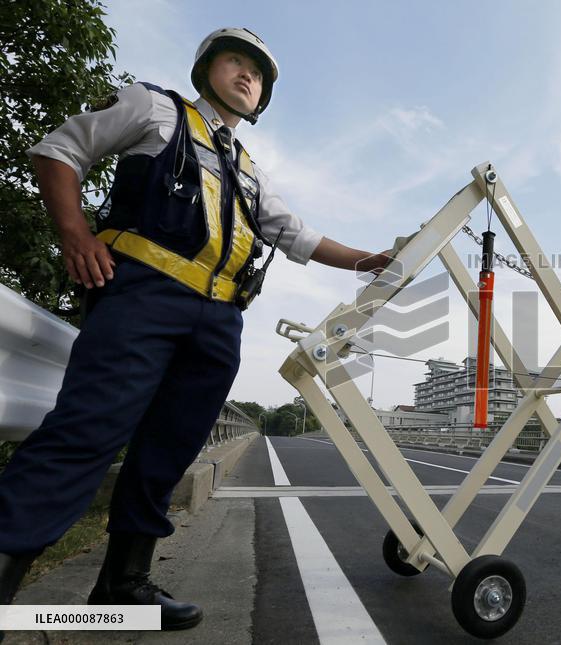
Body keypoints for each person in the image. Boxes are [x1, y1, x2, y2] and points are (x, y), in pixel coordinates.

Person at [0, 27, 389, 633]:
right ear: (206, 68)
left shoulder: (251, 171)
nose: (246, 77)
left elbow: (300, 239)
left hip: (217, 324)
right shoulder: (153, 108)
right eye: (236, 62)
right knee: (86, 433)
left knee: (167, 451)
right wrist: (74, 233)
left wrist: (374, 261)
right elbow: (59, 150)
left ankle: (123, 586)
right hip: (143, 298)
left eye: (257, 75)